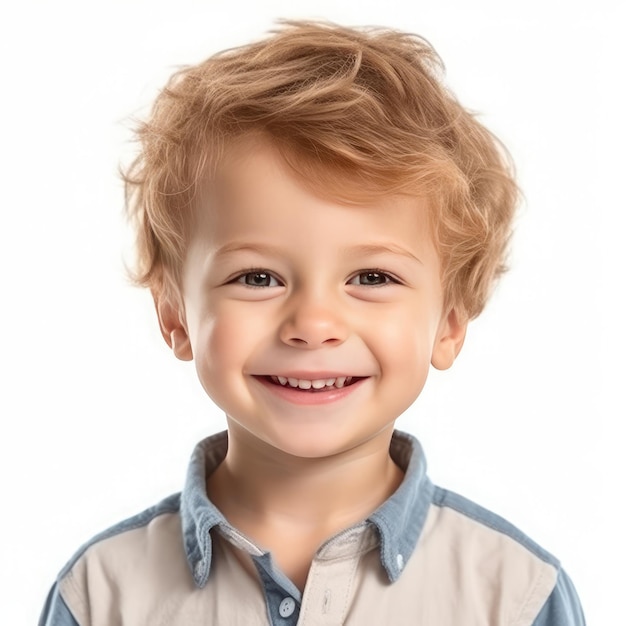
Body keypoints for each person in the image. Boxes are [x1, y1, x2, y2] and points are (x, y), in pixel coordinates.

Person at [39, 21, 585, 625]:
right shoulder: (101, 594)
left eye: (372, 278)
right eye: (257, 278)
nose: (314, 324)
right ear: (175, 313)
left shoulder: (514, 595)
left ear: (450, 322)